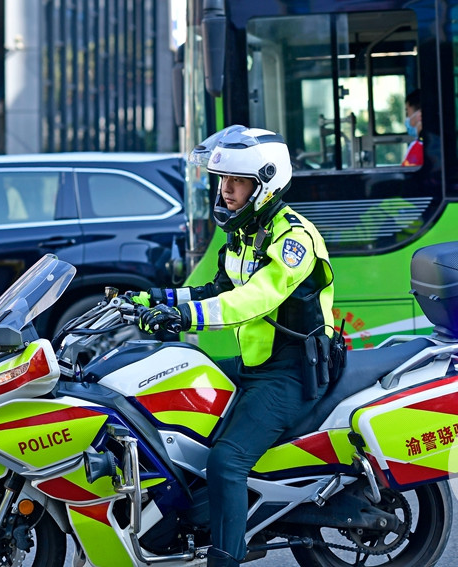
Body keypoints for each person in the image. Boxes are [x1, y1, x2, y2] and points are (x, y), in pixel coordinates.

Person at [131, 126, 335, 567]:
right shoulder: (244, 231)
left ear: (265, 183)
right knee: (161, 395)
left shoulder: (293, 238)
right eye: (222, 180)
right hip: (255, 363)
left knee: (226, 462)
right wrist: (158, 298)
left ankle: (224, 557)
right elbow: (219, 286)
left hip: (292, 372)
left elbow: (256, 297)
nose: (225, 190)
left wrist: (186, 318)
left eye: (237, 182)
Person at [402, 88, 423, 166]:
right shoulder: (417, 145)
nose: (407, 118)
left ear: (419, 114)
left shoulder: (419, 147)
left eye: (407, 112)